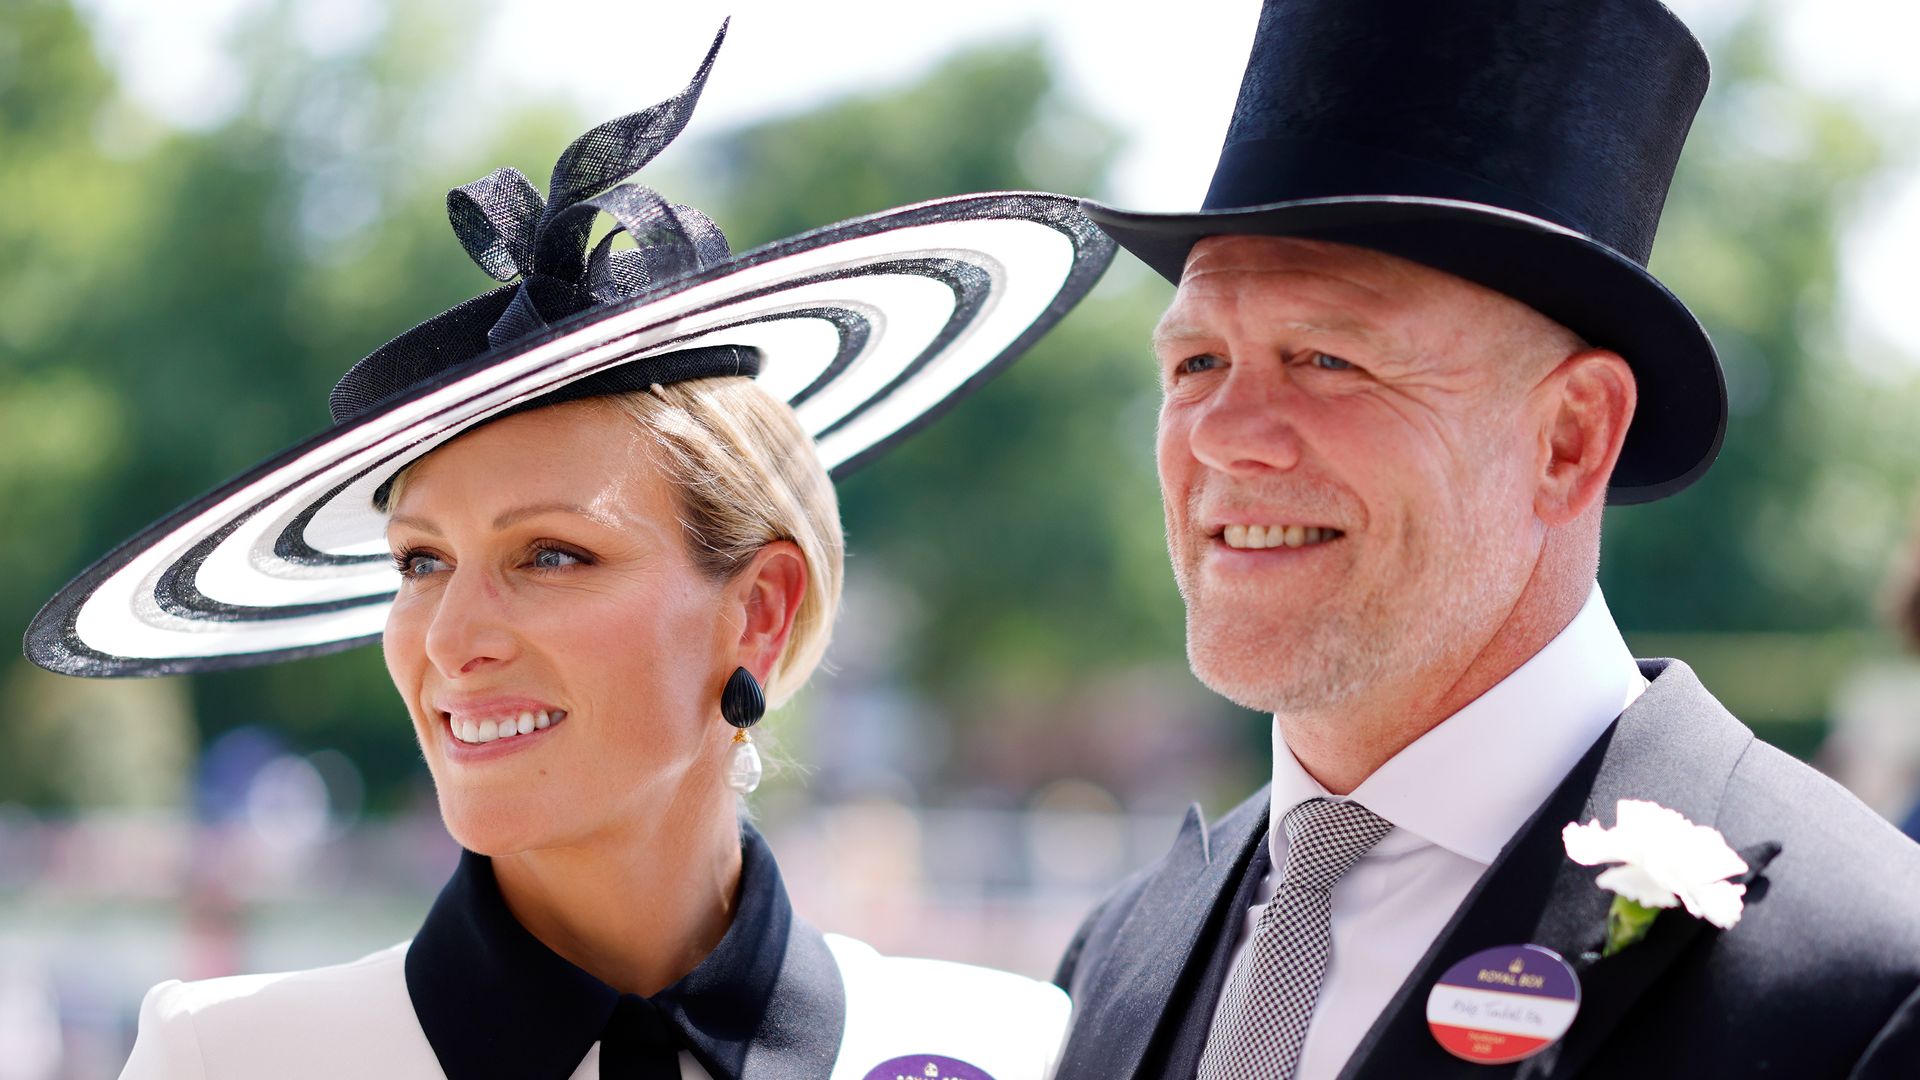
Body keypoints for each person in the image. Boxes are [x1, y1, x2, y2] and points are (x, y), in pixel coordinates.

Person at [25, 24, 1116, 1080]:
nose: (450, 640)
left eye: (550, 555)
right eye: (418, 562)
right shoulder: (234, 1062)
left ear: (763, 610)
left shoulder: (1013, 1049)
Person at [1049, 1, 1920, 1078]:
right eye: (1194, 365)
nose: (1223, 435)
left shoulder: (1870, 985)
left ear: (1570, 438)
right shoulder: (1117, 959)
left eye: (1328, 358)